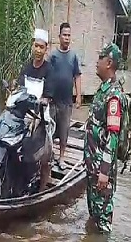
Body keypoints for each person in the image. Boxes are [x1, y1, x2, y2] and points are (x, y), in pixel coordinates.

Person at [84, 43, 125, 234]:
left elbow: (113, 135)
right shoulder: (102, 90)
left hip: (102, 172)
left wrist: (105, 171)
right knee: (93, 215)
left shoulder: (114, 95)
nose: (96, 62)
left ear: (109, 63)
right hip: (93, 167)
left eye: (100, 58)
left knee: (103, 224)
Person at [17, 28, 54, 192]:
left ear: (46, 49)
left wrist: (40, 106)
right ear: (32, 46)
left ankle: (42, 188)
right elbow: (19, 90)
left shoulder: (49, 70)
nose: (38, 50)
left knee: (44, 155)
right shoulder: (26, 69)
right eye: (36, 46)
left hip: (41, 117)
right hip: (25, 115)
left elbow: (48, 96)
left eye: (42, 47)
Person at [49, 22, 82, 169]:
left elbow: (77, 76)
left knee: (64, 130)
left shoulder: (73, 56)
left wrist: (79, 96)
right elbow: (47, 74)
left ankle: (62, 158)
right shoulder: (53, 55)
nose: (67, 38)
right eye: (64, 35)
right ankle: (49, 155)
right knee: (49, 130)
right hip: (52, 101)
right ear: (59, 36)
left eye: (69, 35)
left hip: (66, 101)